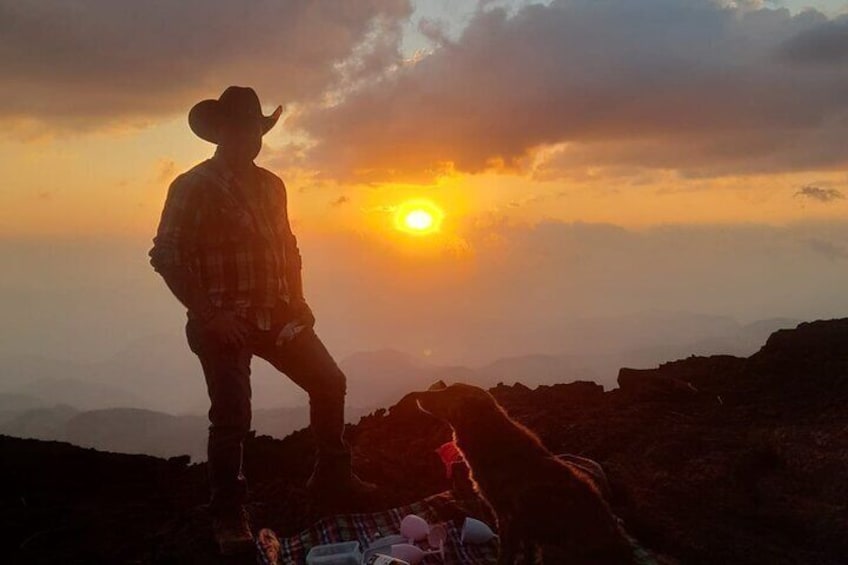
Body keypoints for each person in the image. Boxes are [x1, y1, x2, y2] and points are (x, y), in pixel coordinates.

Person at [148, 86, 376, 556]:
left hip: (276, 315)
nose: (248, 137)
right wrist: (210, 315)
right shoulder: (193, 186)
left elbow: (287, 249)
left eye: (254, 128)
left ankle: (333, 474)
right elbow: (166, 255)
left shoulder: (272, 185)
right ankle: (228, 513)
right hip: (223, 322)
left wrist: (298, 301)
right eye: (240, 128)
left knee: (329, 381)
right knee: (232, 420)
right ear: (222, 132)